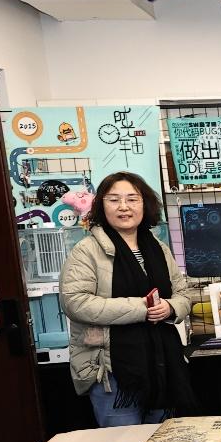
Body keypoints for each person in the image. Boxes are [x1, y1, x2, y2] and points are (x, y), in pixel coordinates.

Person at [60, 171, 196, 427]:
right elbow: (75, 303)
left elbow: (183, 293)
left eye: (132, 199)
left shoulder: (158, 248)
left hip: (161, 366)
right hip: (111, 372)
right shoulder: (87, 251)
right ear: (101, 206)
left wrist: (170, 307)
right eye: (114, 200)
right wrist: (142, 308)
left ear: (145, 204)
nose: (124, 207)